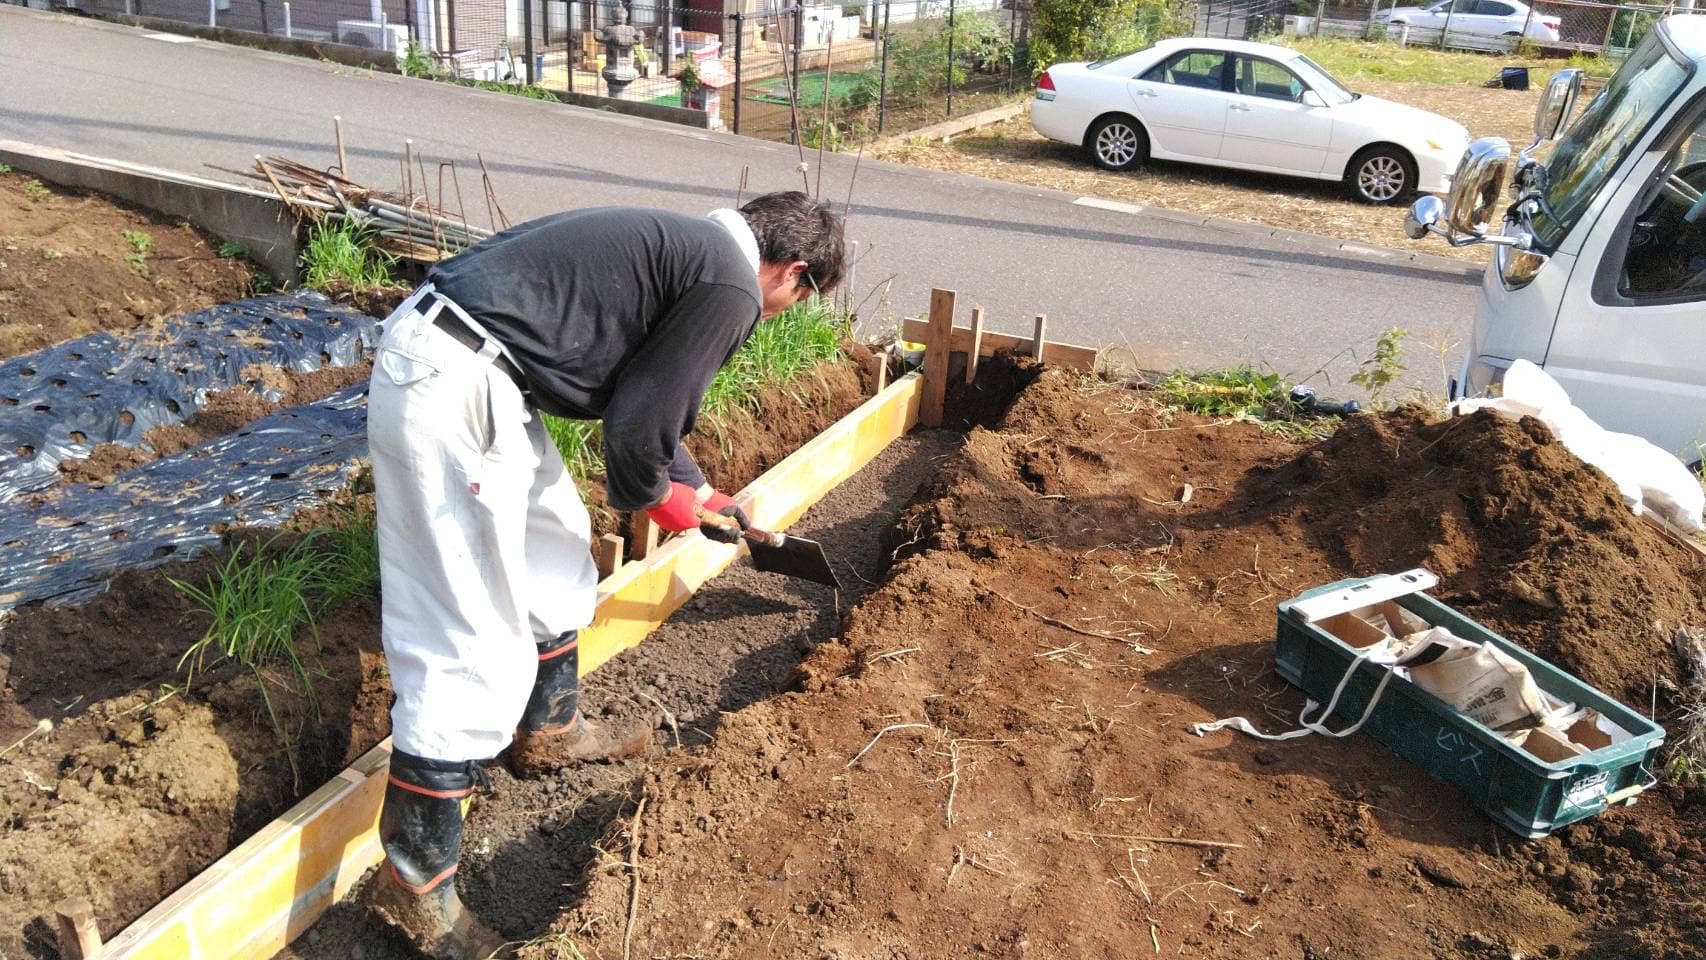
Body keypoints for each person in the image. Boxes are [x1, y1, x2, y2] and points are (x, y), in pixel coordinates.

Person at [362, 191, 846, 957]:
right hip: (453, 387)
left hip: (471, 366)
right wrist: (671, 504)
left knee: (555, 542)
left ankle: (550, 730)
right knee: (465, 637)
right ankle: (414, 887)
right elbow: (637, 426)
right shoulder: (731, 285)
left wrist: (701, 489)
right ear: (792, 272)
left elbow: (649, 393)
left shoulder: (692, 250)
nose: (784, 313)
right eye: (800, 299)